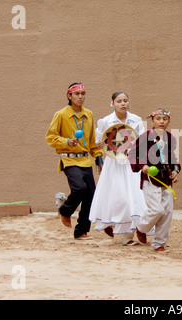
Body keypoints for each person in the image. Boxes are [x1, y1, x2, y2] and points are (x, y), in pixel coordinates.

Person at [46, 83, 103, 240]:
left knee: (90, 195)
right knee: (79, 188)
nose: (80, 96)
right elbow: (50, 137)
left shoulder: (89, 114)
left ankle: (81, 231)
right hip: (69, 160)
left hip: (85, 159)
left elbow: (92, 140)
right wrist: (66, 142)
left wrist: (98, 156)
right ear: (69, 96)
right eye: (77, 93)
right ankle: (65, 210)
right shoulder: (61, 114)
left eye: (83, 93)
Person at [89, 92, 147, 246]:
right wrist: (100, 144)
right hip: (113, 163)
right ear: (112, 103)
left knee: (134, 197)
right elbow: (98, 141)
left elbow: (142, 139)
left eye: (125, 101)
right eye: (119, 101)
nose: (122, 103)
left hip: (132, 163)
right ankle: (110, 222)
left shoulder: (136, 119)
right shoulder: (106, 121)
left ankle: (129, 236)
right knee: (117, 196)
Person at [127, 108, 181, 253]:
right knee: (157, 209)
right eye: (158, 119)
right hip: (150, 179)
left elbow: (173, 158)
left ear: (169, 121)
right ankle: (141, 228)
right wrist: (142, 165)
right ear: (152, 121)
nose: (161, 122)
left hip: (166, 179)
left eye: (165, 119)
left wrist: (175, 170)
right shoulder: (145, 137)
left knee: (167, 211)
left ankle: (159, 243)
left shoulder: (171, 138)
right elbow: (132, 154)